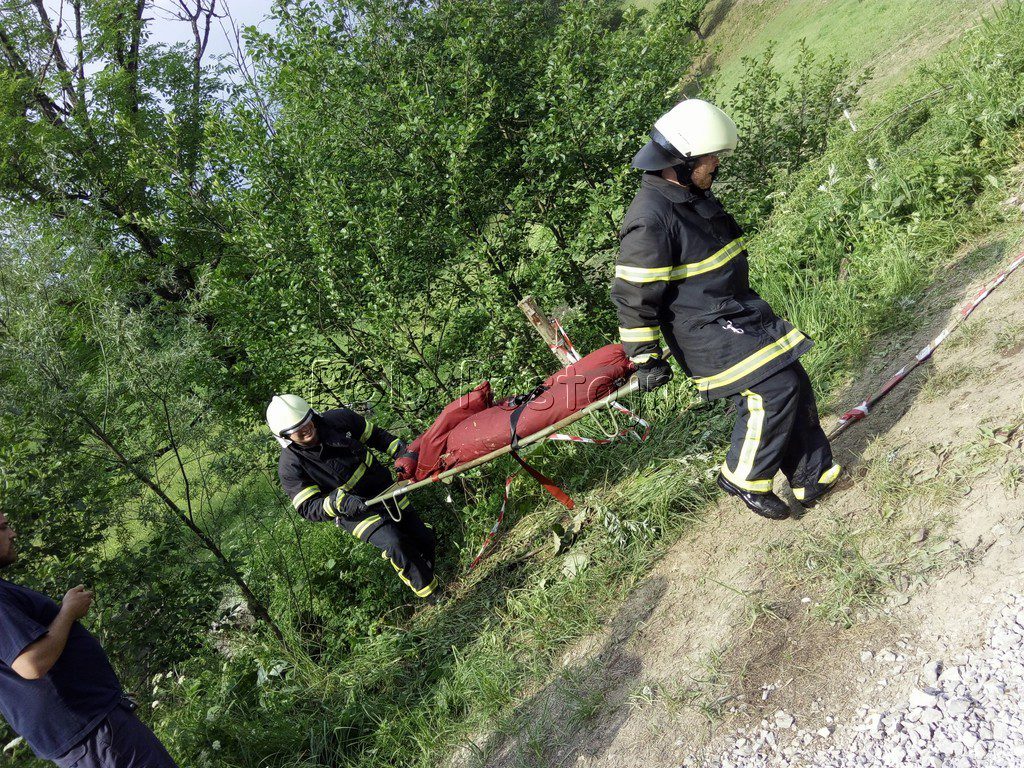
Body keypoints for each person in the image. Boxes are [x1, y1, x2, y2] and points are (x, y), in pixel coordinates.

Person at [612, 99, 842, 519]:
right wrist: (644, 357)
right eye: (710, 157)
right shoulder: (650, 219)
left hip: (737, 312)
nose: (717, 163)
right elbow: (633, 295)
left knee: (792, 379)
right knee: (773, 389)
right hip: (705, 331)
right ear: (681, 162)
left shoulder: (689, 195)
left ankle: (813, 477)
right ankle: (744, 476)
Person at [0, 513, 178, 767]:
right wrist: (68, 611)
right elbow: (31, 664)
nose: (13, 534)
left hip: (90, 732)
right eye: (3, 528)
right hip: (94, 734)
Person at [267, 394, 437, 598]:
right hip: (353, 513)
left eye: (306, 421)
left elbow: (377, 436)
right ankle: (432, 594)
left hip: (383, 488)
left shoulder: (340, 420)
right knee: (395, 543)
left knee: (421, 537)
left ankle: (425, 561)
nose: (305, 428)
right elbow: (308, 506)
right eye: (296, 429)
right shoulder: (291, 467)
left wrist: (402, 452)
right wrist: (339, 503)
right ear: (284, 437)